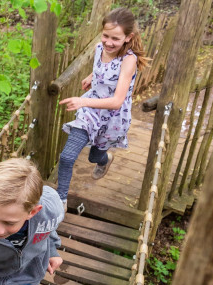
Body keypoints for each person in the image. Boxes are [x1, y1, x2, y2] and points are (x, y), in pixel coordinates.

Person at [56, 8, 150, 208]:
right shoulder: (100, 48)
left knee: (94, 156)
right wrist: (92, 77)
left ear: (128, 37)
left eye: (115, 38)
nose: (108, 42)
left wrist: (81, 101)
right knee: (67, 157)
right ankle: (61, 199)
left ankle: (104, 159)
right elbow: (103, 69)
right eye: (105, 35)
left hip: (112, 117)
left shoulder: (129, 60)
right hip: (91, 111)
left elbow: (116, 101)